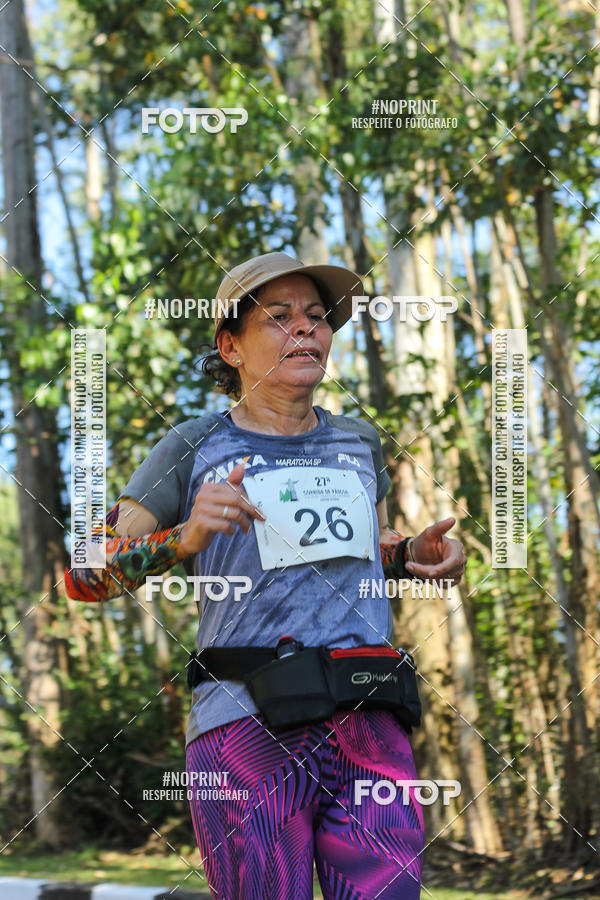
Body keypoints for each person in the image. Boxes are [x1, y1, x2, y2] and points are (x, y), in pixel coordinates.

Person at [65, 251, 466, 900]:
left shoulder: (360, 444)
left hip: (369, 718)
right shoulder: (193, 448)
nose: (305, 329)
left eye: (316, 317)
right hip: (247, 728)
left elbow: (366, 558)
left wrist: (412, 554)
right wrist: (183, 538)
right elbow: (84, 576)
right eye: (278, 318)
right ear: (230, 346)